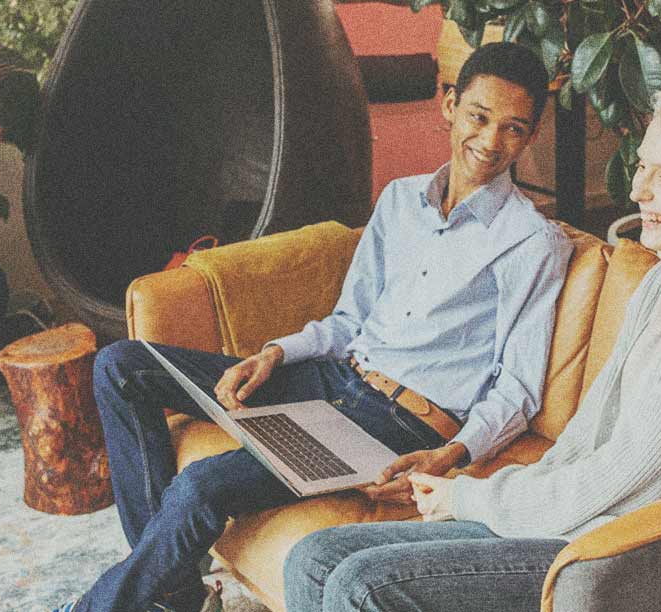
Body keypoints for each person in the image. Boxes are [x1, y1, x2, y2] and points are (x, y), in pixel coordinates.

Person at [54, 42, 572, 612]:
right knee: (123, 366)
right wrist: (276, 352)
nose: (491, 141)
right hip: (330, 379)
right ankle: (174, 591)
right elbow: (350, 320)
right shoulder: (400, 200)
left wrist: (452, 454)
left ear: (529, 137)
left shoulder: (532, 241)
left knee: (202, 486)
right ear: (449, 105)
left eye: (514, 128)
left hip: (397, 424)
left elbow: (519, 389)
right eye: (479, 116)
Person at [283, 81, 661, 612]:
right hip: (583, 522)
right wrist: (494, 489)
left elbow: (635, 471)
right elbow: (587, 439)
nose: (638, 192)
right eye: (641, 167)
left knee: (363, 584)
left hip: (639, 549)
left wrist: (472, 497)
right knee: (314, 557)